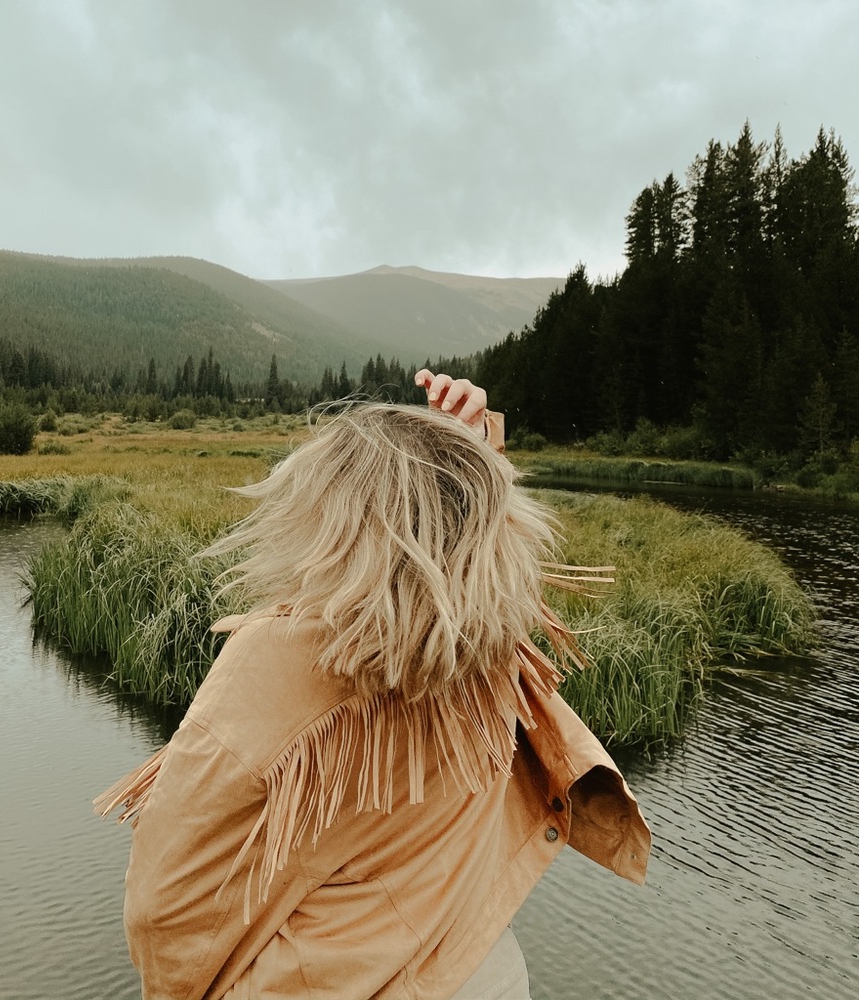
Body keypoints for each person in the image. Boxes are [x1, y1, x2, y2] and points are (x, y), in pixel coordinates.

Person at [97, 371, 651, 1000]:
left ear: (341, 517)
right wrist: (471, 448)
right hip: (480, 971)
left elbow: (163, 908)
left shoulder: (284, 656)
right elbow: (468, 544)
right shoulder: (492, 641)